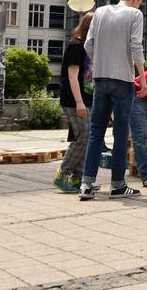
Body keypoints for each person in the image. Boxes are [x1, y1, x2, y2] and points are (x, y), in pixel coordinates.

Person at [80, 0, 147, 200]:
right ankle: (118, 185)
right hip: (122, 80)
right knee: (120, 134)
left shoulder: (99, 12)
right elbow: (136, 45)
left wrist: (101, 60)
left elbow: (88, 45)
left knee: (96, 132)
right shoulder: (135, 14)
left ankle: (87, 185)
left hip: (101, 78)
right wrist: (143, 78)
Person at [53, 13, 96, 193]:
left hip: (86, 98)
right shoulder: (75, 46)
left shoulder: (87, 47)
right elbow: (72, 76)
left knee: (86, 137)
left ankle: (77, 177)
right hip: (73, 99)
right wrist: (79, 102)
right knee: (83, 135)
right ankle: (65, 173)